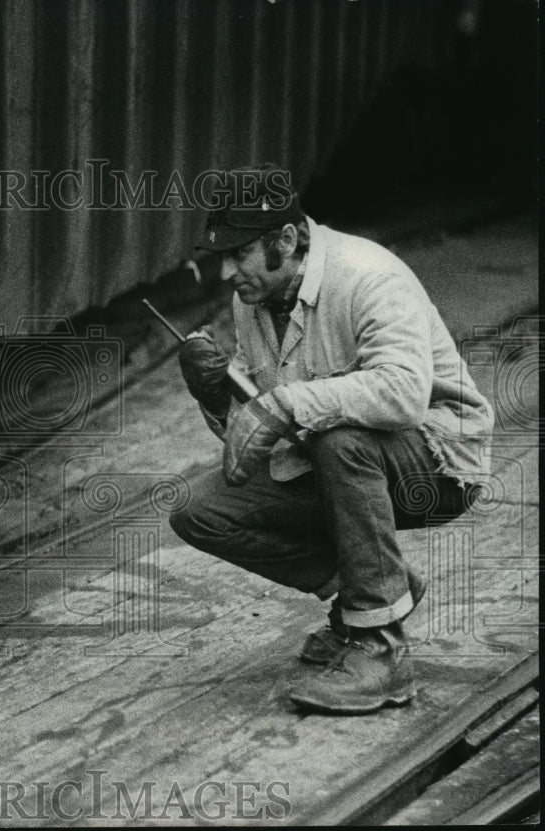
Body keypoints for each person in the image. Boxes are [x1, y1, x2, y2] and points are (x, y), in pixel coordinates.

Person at [169, 165, 494, 714]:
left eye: (239, 253)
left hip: (438, 465)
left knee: (340, 437)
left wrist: (285, 403)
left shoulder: (368, 276)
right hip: (336, 463)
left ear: (287, 240)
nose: (226, 272)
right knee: (198, 508)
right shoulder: (252, 301)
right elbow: (259, 431)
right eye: (220, 256)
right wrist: (218, 397)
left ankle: (380, 651)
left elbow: (403, 395)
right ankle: (378, 594)